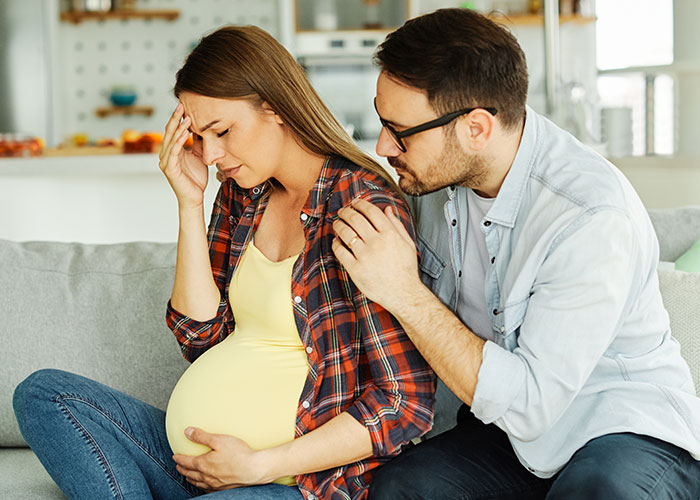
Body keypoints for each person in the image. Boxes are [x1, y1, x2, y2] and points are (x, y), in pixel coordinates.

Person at [12, 25, 434, 500]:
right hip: (198, 468)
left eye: (222, 131)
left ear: (275, 107)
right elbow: (200, 338)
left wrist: (258, 465)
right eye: (199, 136)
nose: (211, 155)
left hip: (292, 483)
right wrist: (189, 205)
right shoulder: (242, 194)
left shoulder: (361, 207)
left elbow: (404, 404)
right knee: (44, 394)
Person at [331, 8, 700, 500]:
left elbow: (530, 402)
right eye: (382, 121)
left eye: (400, 131)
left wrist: (405, 292)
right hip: (508, 437)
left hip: (619, 428)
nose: (382, 146)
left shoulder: (589, 216)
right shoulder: (436, 185)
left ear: (477, 128)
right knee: (402, 487)